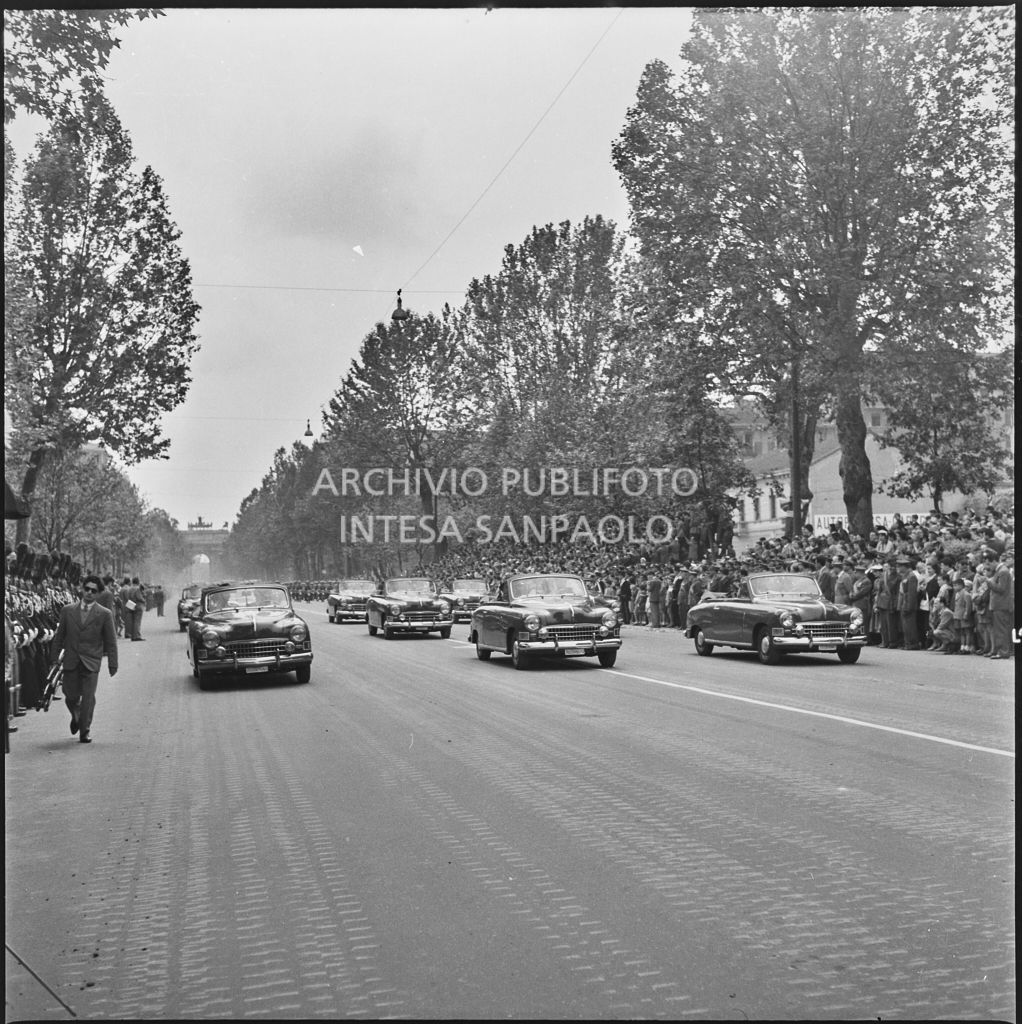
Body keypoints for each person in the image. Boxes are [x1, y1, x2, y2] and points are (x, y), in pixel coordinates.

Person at [50, 573, 118, 744]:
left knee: (88, 697)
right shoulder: (67, 610)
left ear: (98, 594)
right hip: (71, 659)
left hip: (91, 661)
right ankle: (76, 714)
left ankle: (84, 731)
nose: (89, 593)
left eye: (93, 591)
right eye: (86, 589)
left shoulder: (104, 614)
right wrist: (54, 658)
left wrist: (113, 663)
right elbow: (59, 636)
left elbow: (111, 641)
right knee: (70, 695)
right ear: (82, 589)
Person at [986, 548, 1014, 659]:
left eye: (989, 563)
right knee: (1000, 629)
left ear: (994, 561)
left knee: (1001, 629)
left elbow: (1001, 588)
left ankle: (1003, 651)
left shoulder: (1003, 571)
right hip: (999, 605)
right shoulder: (1000, 571)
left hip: (1001, 605)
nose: (988, 566)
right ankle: (1002, 651)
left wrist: (989, 582)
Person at [123, 576, 145, 641]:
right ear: (138, 582)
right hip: (137, 605)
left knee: (132, 621)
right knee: (137, 621)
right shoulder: (137, 589)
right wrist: (144, 600)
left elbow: (128, 597)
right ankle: (137, 636)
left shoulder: (129, 588)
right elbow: (139, 597)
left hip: (130, 604)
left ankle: (132, 635)